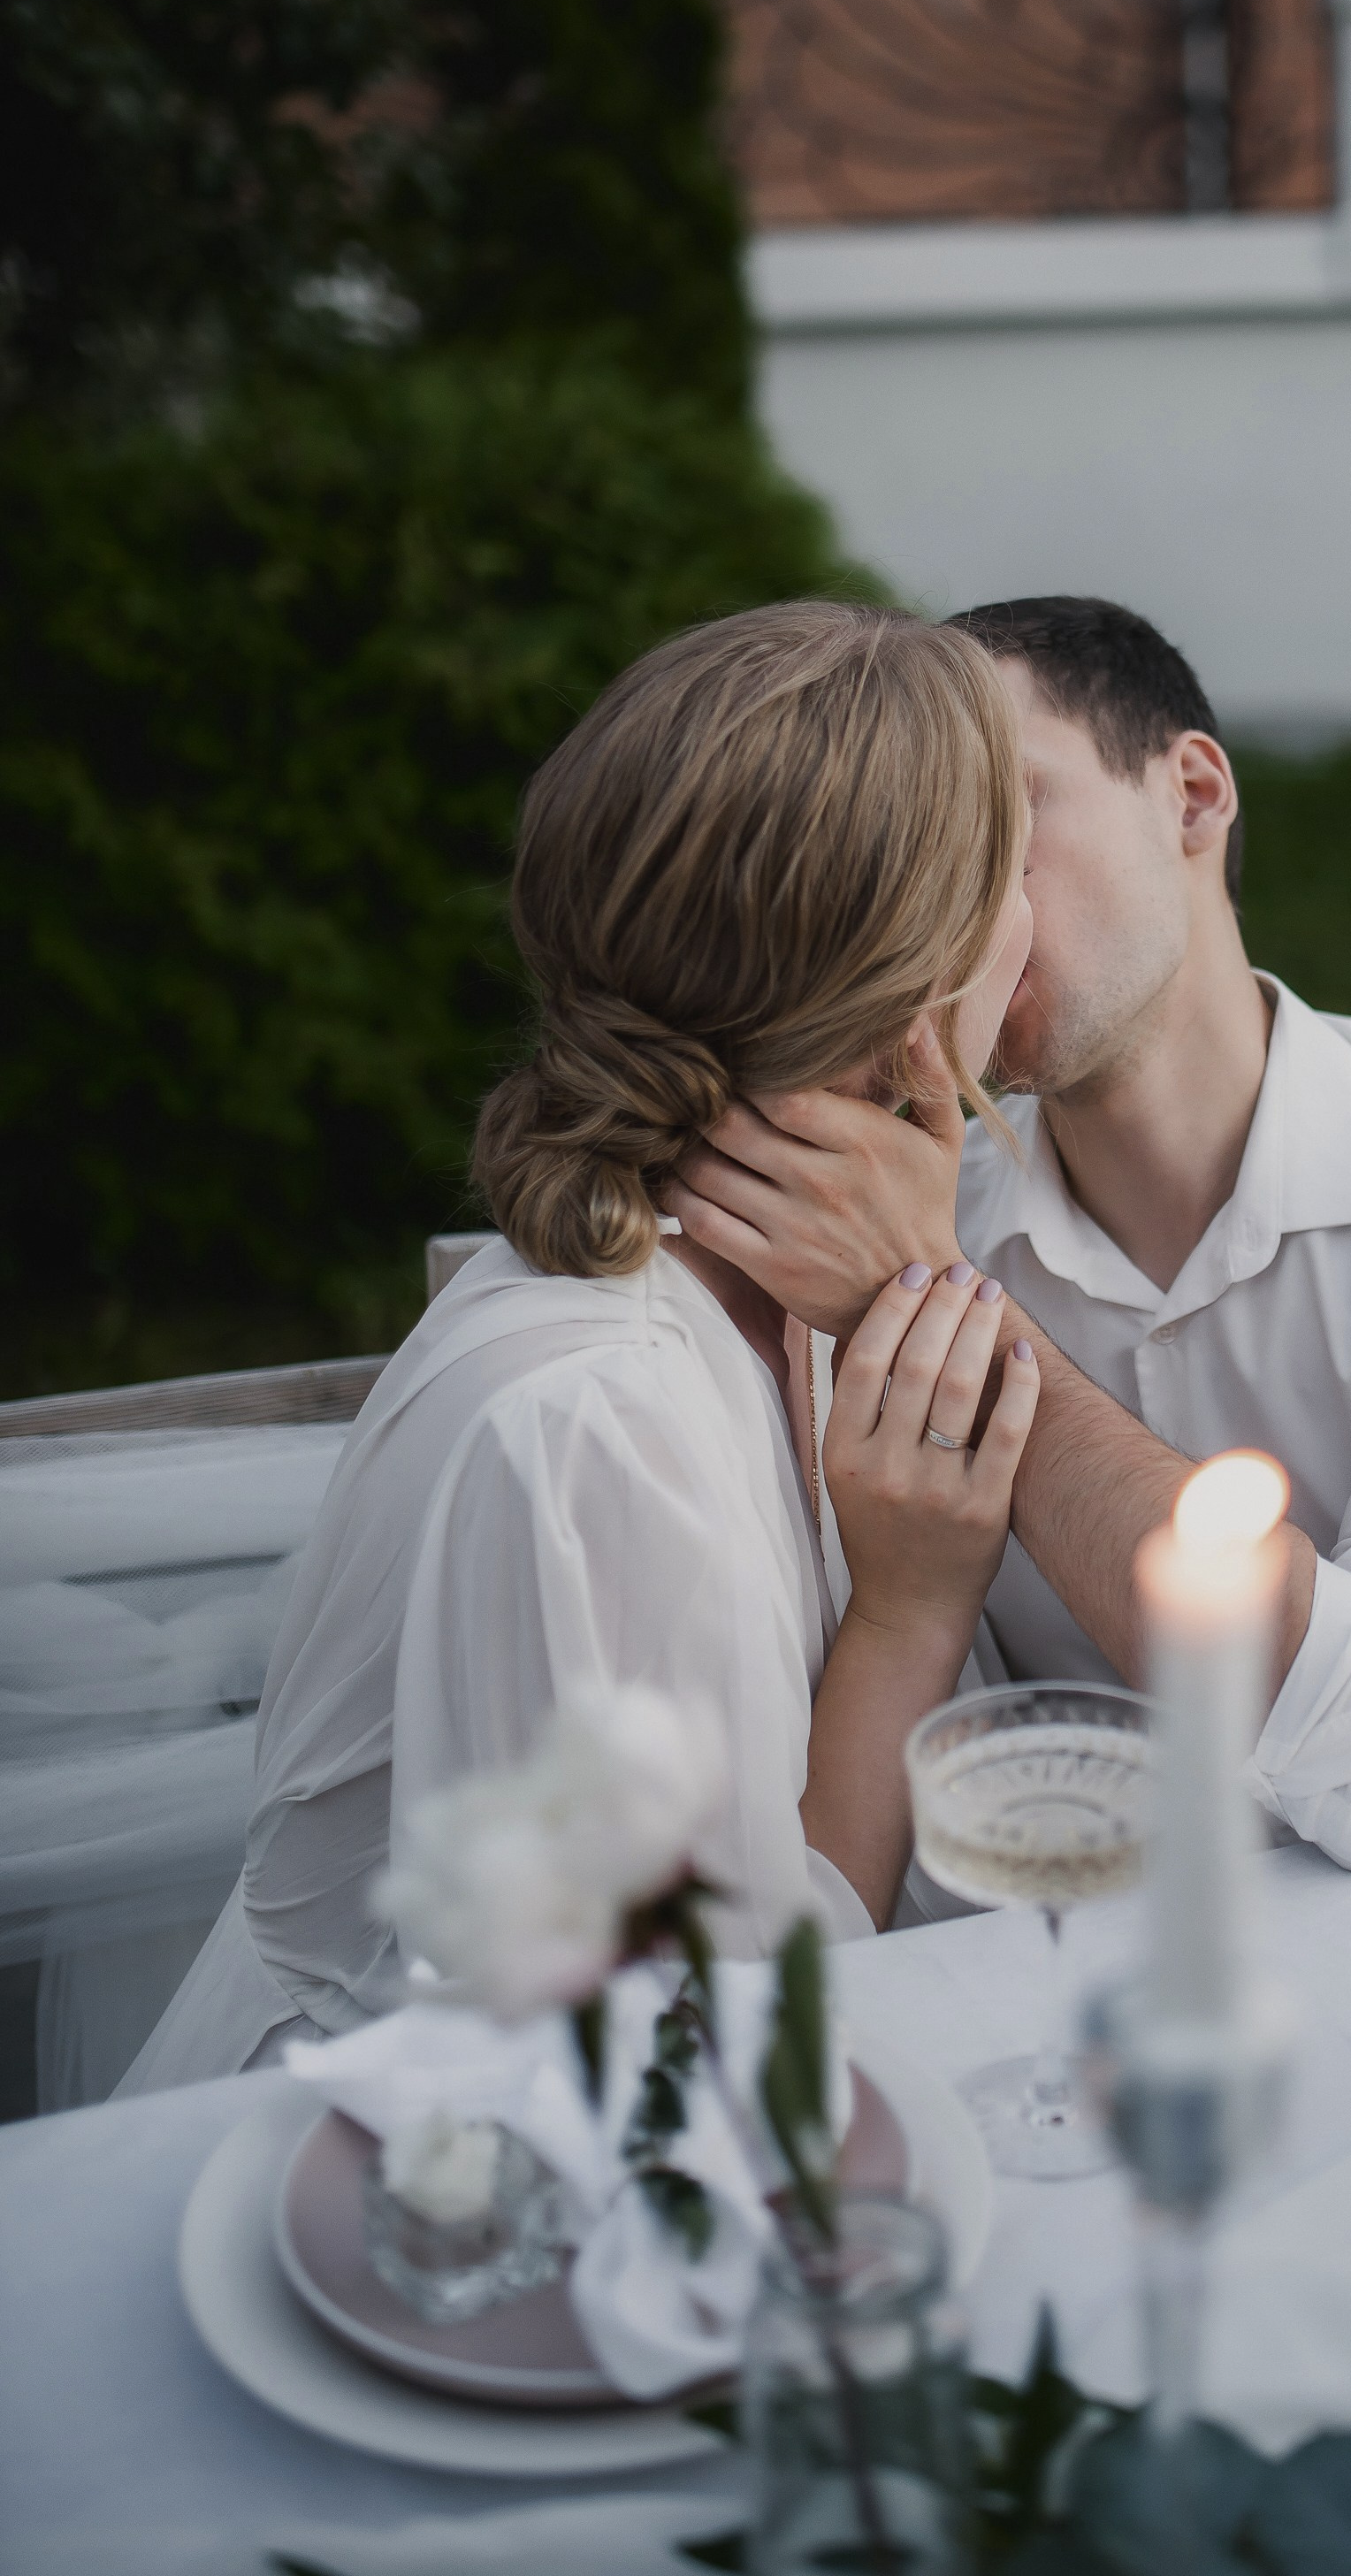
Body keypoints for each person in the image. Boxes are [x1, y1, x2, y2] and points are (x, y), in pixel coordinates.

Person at [120, 601, 1116, 2092]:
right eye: (1011, 874)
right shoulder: (606, 1419)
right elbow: (700, 2050)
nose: (1033, 914)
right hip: (407, 2183)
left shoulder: (768, 1278)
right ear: (917, 1015)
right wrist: (912, 1612)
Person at [674, 597, 1351, 1877]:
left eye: (1000, 816)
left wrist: (932, 1306)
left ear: (1193, 796)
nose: (943, 901)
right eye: (907, 847)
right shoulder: (903, 1206)